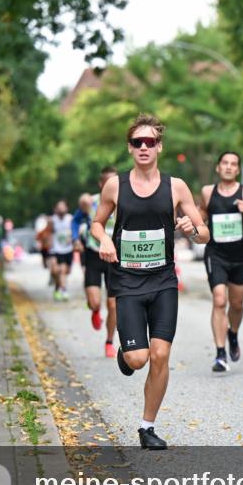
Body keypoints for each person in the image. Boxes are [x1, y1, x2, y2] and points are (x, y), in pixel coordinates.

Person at [91, 113, 209, 450]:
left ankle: (147, 427)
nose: (144, 147)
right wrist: (104, 239)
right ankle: (126, 355)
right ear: (129, 148)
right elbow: (97, 222)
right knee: (138, 359)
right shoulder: (116, 185)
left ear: (160, 147)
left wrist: (193, 230)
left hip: (162, 282)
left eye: (150, 142)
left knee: (160, 356)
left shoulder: (177, 187)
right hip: (127, 282)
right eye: (137, 142)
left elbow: (204, 234)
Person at [200, 151, 243, 372]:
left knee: (237, 304)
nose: (229, 167)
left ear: (238, 170)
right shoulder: (207, 192)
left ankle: (233, 333)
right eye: (225, 163)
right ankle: (220, 354)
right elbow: (200, 215)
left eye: (233, 164)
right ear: (218, 168)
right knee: (220, 300)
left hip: (240, 257)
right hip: (215, 255)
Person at [76, 166, 120, 357]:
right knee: (95, 302)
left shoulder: (124, 201)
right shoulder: (91, 202)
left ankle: (109, 341)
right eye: (107, 182)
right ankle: (95, 311)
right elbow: (77, 217)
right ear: (101, 184)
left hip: (114, 256)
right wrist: (75, 239)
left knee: (113, 305)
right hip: (94, 255)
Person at [48, 200, 75, 301]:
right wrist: (50, 248)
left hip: (68, 249)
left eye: (63, 206)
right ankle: (63, 289)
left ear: (66, 208)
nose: (61, 208)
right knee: (57, 270)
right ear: (55, 209)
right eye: (59, 207)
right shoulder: (52, 220)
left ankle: (58, 288)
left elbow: (74, 231)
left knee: (65, 271)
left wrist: (72, 238)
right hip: (56, 249)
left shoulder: (70, 219)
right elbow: (49, 234)